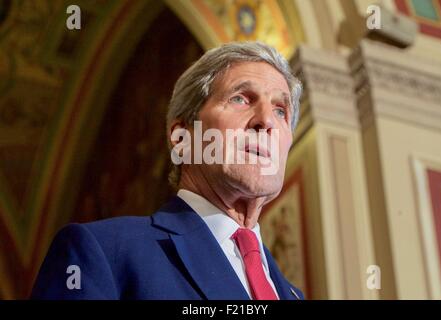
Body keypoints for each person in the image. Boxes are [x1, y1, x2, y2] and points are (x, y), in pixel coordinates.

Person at [31, 41, 304, 300]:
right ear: (182, 137)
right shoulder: (102, 252)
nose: (267, 120)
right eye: (241, 99)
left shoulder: (292, 293)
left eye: (280, 111)